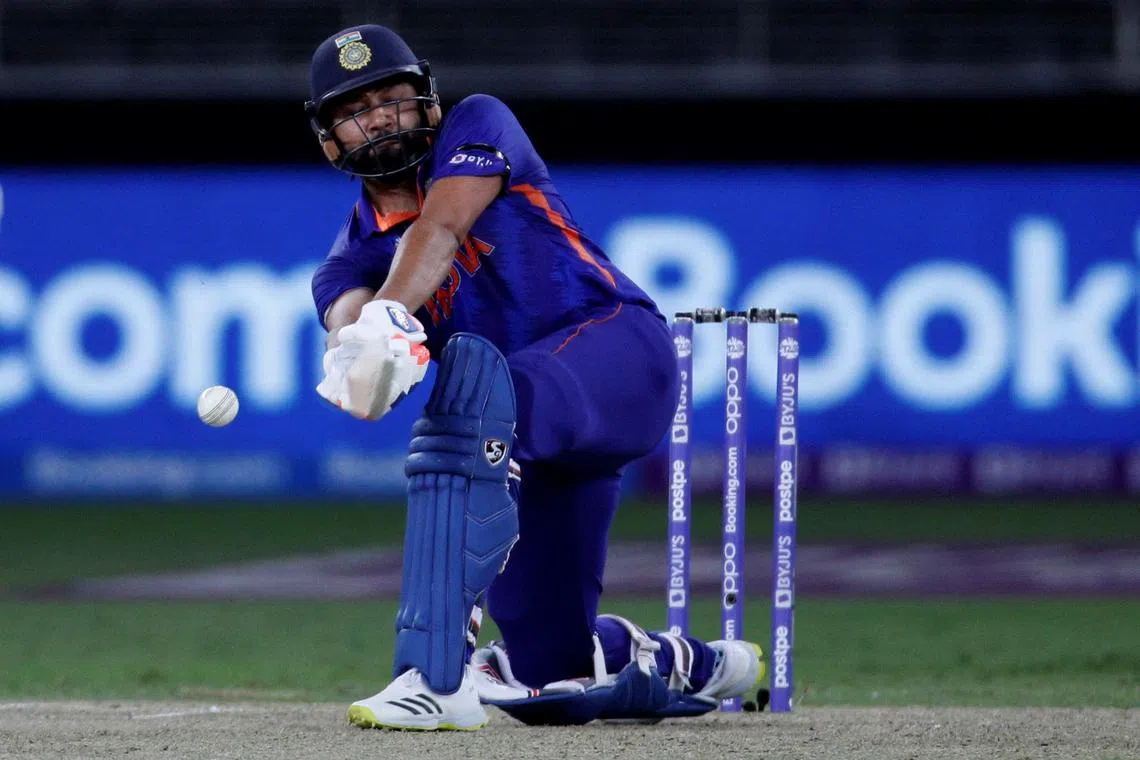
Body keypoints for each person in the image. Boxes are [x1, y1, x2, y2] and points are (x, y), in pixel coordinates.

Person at [307, 24, 765, 730]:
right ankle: (688, 662)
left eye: (393, 98)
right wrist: (354, 353)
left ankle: (432, 676)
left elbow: (441, 229)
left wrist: (388, 317)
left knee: (467, 404)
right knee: (549, 672)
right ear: (331, 139)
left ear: (425, 101)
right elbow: (346, 313)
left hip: (618, 356)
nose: (381, 118)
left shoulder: (478, 122)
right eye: (357, 110)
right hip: (529, 442)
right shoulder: (350, 256)